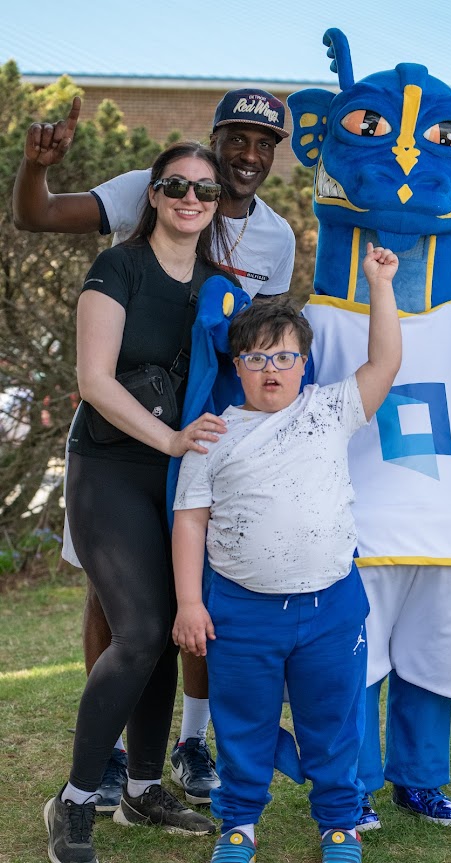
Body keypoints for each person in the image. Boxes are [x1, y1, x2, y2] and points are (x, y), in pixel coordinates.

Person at [13, 87, 296, 808]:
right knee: (122, 611)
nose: (248, 156)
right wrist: (34, 169)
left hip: (194, 460)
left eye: (265, 144)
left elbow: (261, 355)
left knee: (177, 614)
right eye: (237, 138)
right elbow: (39, 216)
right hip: (115, 449)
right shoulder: (134, 236)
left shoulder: (257, 252)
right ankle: (95, 773)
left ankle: (160, 768)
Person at [171, 242, 402, 863]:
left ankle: (340, 823)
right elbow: (190, 522)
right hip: (241, 611)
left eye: (285, 356)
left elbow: (383, 362)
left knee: (333, 722)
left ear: (304, 362)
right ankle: (238, 823)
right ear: (237, 364)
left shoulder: (329, 410)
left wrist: (381, 285)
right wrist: (190, 603)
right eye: (256, 357)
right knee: (242, 720)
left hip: (331, 605)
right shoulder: (211, 435)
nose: (271, 368)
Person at [44, 141, 238, 863]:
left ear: (218, 203)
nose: (191, 198)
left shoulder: (221, 286)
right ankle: (74, 801)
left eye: (205, 190)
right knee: (140, 629)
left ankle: (145, 789)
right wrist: (170, 439)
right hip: (111, 467)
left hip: (182, 475)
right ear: (153, 194)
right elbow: (96, 380)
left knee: (168, 634)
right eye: (176, 185)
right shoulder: (117, 268)